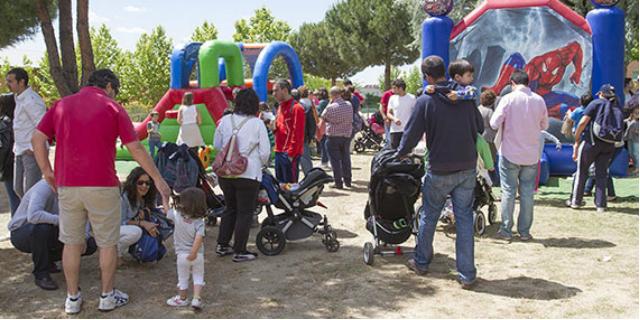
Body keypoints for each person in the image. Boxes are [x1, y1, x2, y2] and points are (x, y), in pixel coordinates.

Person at [32, 69, 171, 314]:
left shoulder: (61, 105)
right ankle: (107, 295)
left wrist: (47, 171)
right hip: (102, 185)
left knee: (71, 243)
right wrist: (158, 179)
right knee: (107, 243)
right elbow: (136, 148)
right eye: (115, 91)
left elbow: (37, 137)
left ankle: (72, 298)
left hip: (68, 185)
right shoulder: (113, 108)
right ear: (109, 86)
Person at [396, 56, 483, 289]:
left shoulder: (427, 100)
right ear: (446, 72)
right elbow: (480, 127)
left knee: (430, 215)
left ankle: (422, 261)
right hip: (466, 166)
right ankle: (467, 274)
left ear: (427, 76)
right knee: (464, 219)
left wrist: (401, 153)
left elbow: (411, 134)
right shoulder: (466, 97)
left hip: (440, 168)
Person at [490, 70, 548, 241]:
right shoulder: (539, 100)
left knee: (508, 191)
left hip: (509, 152)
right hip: (531, 154)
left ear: (512, 83)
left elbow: (494, 123)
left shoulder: (508, 99)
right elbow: (544, 125)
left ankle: (506, 230)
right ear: (527, 83)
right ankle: (525, 231)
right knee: (527, 193)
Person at [8, 179, 97, 291]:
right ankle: (41, 274)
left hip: (52, 227)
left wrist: (84, 236)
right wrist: (63, 221)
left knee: (91, 244)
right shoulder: (44, 187)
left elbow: (83, 214)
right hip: (22, 232)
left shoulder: (76, 190)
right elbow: (33, 216)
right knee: (42, 228)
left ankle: (48, 259)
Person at [214, 88, 270, 262]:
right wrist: (260, 164)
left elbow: (217, 145)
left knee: (230, 208)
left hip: (226, 172)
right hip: (248, 172)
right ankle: (240, 250)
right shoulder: (257, 123)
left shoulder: (224, 120)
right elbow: (265, 152)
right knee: (245, 212)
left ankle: (222, 244)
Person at [566, 84, 622, 213]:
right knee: (602, 174)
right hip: (609, 144)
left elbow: (583, 122)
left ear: (601, 94)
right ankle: (601, 204)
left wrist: (577, 137)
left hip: (591, 143)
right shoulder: (616, 105)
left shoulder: (595, 104)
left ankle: (576, 201)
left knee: (582, 172)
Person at [5, 67, 46, 199]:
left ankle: (36, 218)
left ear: (21, 82)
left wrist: (33, 148)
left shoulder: (32, 100)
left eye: (10, 81)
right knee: (18, 189)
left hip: (31, 151)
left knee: (31, 192)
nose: (8, 84)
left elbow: (42, 125)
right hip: (20, 150)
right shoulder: (19, 98)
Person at [166, 187, 207, 310]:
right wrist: (193, 252)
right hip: (198, 255)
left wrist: (164, 197)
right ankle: (196, 298)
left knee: (183, 277)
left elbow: (166, 211)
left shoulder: (177, 215)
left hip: (182, 255)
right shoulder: (200, 221)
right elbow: (199, 238)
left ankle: (182, 298)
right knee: (198, 276)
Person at [119, 167, 161, 260]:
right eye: (140, 182)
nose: (144, 186)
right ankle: (115, 253)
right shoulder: (123, 197)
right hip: (110, 228)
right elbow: (120, 222)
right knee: (135, 232)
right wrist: (142, 223)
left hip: (122, 227)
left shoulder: (144, 197)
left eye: (147, 183)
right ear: (133, 183)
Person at [272, 79, 305, 183]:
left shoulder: (297, 108)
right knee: (280, 186)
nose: (274, 94)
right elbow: (279, 128)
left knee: (290, 186)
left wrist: (291, 154)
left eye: (276, 90)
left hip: (289, 154)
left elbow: (298, 134)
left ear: (285, 90)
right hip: (279, 152)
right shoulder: (280, 107)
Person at [321, 87, 354, 189]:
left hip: (333, 137)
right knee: (346, 159)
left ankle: (338, 182)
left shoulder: (331, 107)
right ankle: (348, 180)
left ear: (332, 95)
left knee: (335, 161)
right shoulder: (349, 105)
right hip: (346, 136)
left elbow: (323, 116)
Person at [0, 93, 20, 215]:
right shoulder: (17, 121)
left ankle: (16, 228)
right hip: (16, 161)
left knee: (14, 198)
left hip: (8, 165)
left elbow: (4, 147)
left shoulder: (4, 123)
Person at [386, 79, 416, 149]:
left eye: (394, 88)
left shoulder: (412, 98)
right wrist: (394, 119)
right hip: (394, 130)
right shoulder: (392, 98)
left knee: (407, 151)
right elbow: (388, 113)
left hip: (407, 130)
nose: (392, 90)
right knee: (394, 151)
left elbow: (415, 113)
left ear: (400, 88)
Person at [297, 86, 318, 175]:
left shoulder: (297, 104)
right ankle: (310, 178)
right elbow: (312, 123)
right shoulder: (310, 104)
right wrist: (311, 136)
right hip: (304, 135)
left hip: (296, 135)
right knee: (305, 158)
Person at [315, 88, 331, 168]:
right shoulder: (329, 101)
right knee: (326, 143)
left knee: (323, 143)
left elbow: (319, 114)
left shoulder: (321, 103)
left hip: (322, 124)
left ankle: (324, 161)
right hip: (328, 125)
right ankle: (327, 160)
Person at [625, 106, 639, 174]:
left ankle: (637, 167)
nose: (637, 114)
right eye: (636, 113)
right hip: (629, 138)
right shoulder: (630, 120)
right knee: (631, 153)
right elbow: (625, 121)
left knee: (636, 153)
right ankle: (636, 166)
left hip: (637, 140)